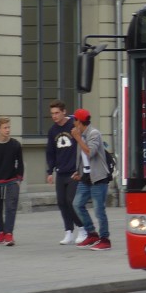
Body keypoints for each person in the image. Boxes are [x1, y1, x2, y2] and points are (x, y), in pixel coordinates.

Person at [71, 108, 113, 250]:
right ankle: (92, 234)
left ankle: (105, 239)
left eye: (74, 120)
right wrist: (79, 172)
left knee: (99, 210)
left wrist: (77, 138)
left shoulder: (93, 134)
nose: (73, 123)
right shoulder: (81, 134)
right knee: (77, 204)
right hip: (86, 176)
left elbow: (90, 152)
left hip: (99, 177)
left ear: (79, 122)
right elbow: (81, 158)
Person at [45, 100, 84, 245]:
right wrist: (50, 171)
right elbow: (50, 152)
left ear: (64, 112)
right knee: (61, 202)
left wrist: (81, 168)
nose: (54, 116)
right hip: (60, 172)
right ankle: (68, 231)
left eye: (56, 113)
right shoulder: (52, 131)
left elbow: (82, 145)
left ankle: (82, 228)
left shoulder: (74, 125)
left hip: (74, 171)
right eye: (52, 114)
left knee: (71, 201)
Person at [0, 117, 24, 246]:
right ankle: (1, 232)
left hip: (12, 180)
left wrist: (19, 179)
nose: (7, 130)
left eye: (8, 127)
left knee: (11, 207)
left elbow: (20, 163)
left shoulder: (15, 145)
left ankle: (9, 234)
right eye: (5, 128)